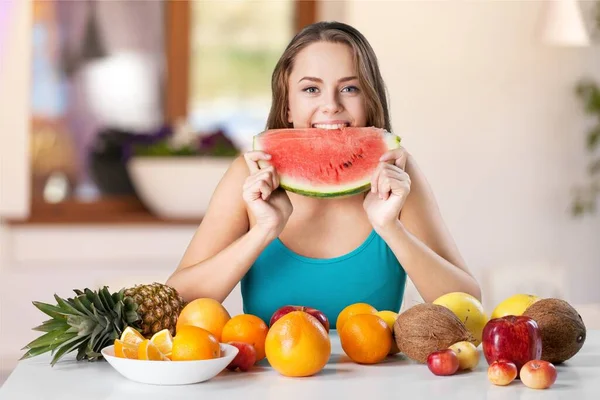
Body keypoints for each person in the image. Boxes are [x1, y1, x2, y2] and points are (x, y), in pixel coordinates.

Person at [166, 21, 481, 328]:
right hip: (271, 379)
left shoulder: (397, 174)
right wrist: (262, 231)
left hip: (376, 380)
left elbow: (468, 311)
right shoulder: (249, 174)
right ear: (288, 106)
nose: (331, 105)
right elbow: (176, 304)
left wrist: (390, 227)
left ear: (370, 102)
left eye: (349, 87)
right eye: (311, 89)